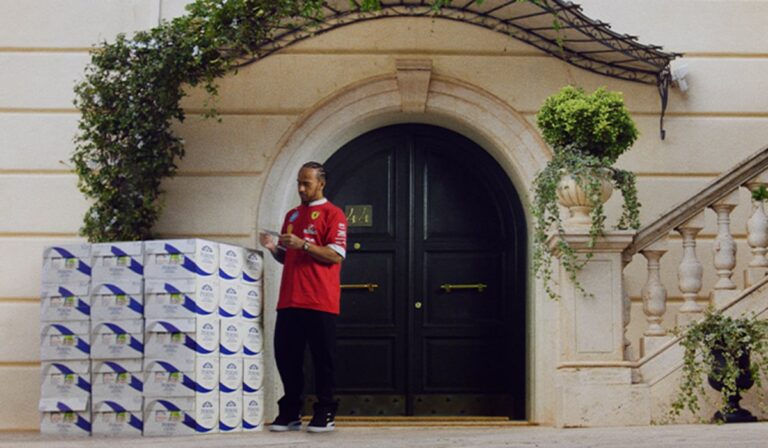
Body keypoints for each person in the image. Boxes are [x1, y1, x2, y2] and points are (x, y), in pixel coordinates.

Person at [259, 161, 348, 433]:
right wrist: (273, 248)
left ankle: (325, 412)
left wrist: (304, 244)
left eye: (306, 183)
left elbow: (335, 255)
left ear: (321, 183)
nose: (300, 188)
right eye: (299, 183)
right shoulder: (292, 215)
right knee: (287, 358)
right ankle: (290, 412)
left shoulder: (334, 214)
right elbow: (288, 257)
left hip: (320, 300)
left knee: (323, 360)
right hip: (289, 300)